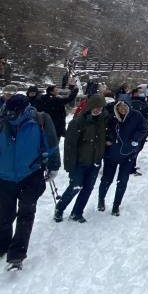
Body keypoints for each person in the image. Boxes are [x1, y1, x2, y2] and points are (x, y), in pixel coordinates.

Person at [0, 94, 60, 270]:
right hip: (4, 177)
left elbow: (52, 145)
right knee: (2, 217)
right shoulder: (1, 122)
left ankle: (17, 254)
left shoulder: (40, 120)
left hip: (31, 175)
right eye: (7, 111)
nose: (10, 114)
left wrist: (54, 166)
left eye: (13, 112)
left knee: (26, 214)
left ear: (24, 109)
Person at [54, 95, 109, 223]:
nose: (98, 110)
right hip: (79, 162)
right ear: (90, 106)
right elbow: (69, 146)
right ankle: (60, 208)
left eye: (100, 107)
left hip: (95, 161)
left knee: (88, 188)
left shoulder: (103, 121)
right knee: (75, 187)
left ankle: (77, 212)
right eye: (96, 107)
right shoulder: (77, 122)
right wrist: (69, 165)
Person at [98, 98, 145, 215]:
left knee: (122, 181)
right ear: (116, 108)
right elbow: (103, 130)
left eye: (125, 107)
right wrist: (108, 139)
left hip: (128, 154)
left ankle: (116, 206)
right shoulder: (112, 117)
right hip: (111, 154)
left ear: (129, 107)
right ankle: (101, 199)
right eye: (120, 107)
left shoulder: (136, 115)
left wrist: (135, 139)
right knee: (107, 179)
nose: (123, 109)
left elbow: (143, 128)